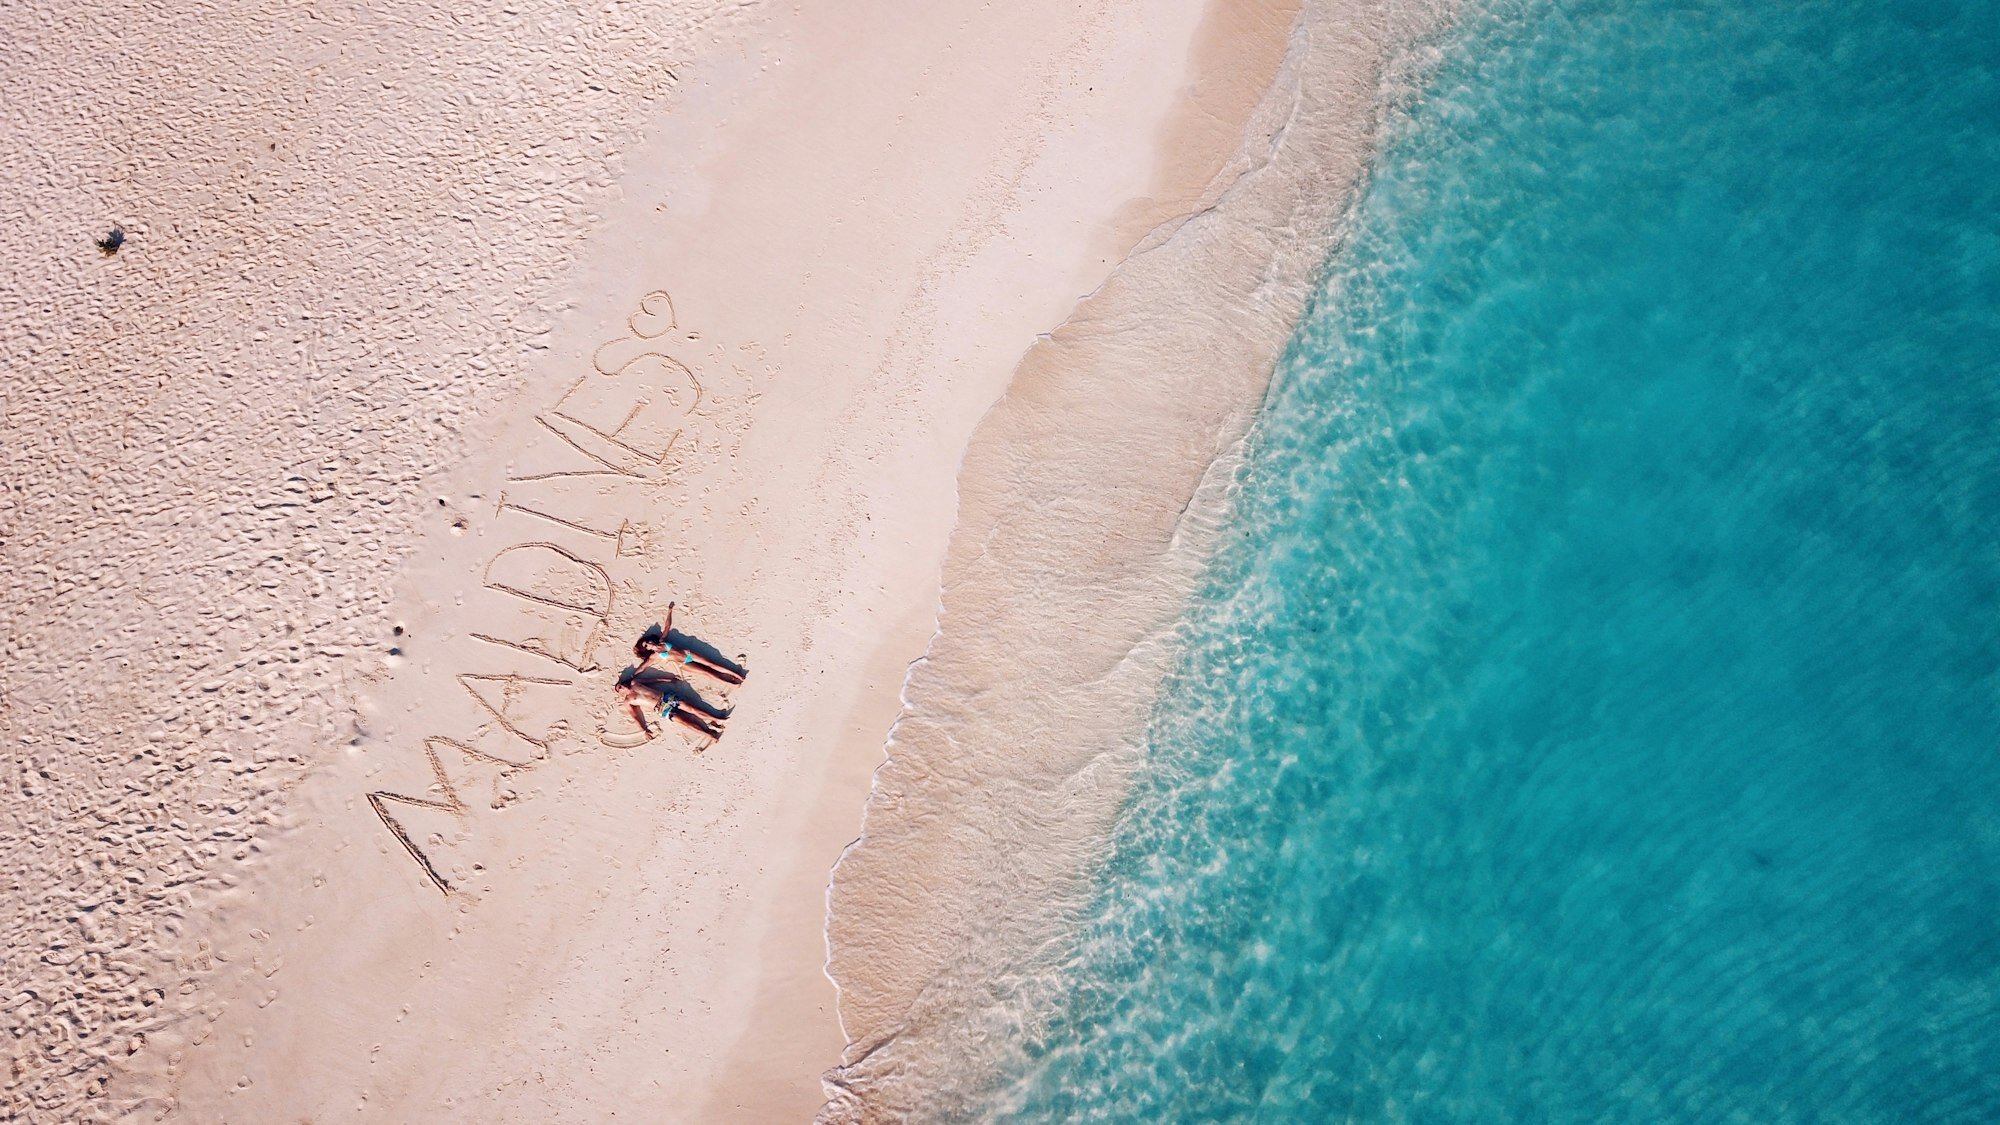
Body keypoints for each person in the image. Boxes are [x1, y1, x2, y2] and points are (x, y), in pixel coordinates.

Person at [634, 601, 745, 686]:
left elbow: (667, 626)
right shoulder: (654, 656)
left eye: (647, 641)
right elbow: (643, 667)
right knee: (707, 673)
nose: (649, 643)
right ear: (647, 649)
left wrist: (669, 611)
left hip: (688, 653)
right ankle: (730, 683)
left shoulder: (662, 640)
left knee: (712, 664)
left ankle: (735, 674)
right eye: (646, 645)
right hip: (684, 664)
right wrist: (633, 675)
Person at [614, 668, 724, 743]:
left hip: (666, 697)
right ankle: (708, 735)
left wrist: (666, 679)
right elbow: (635, 716)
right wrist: (644, 730)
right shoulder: (628, 701)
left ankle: (716, 719)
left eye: (621, 684)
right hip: (660, 708)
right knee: (684, 722)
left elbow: (652, 681)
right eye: (620, 688)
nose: (622, 686)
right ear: (621, 693)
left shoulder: (635, 682)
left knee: (691, 708)